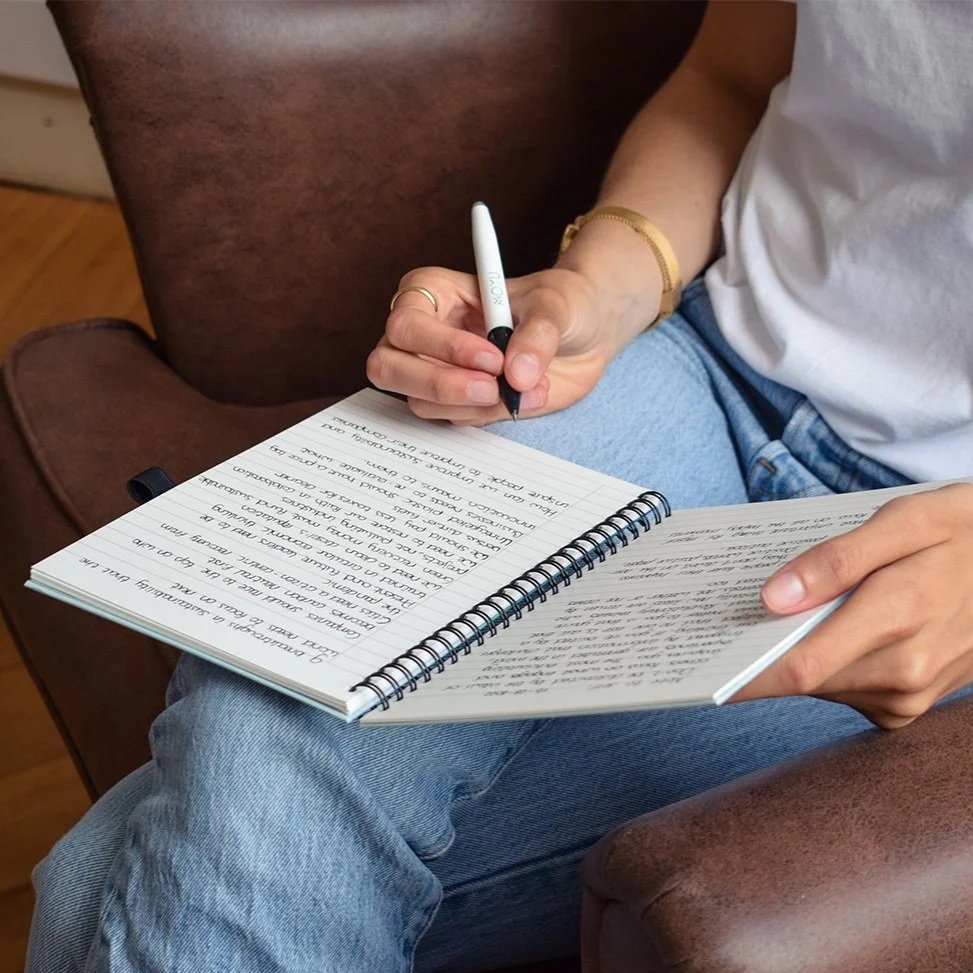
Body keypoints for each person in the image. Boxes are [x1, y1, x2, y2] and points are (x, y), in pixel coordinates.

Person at [26, 2, 973, 971]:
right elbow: (726, 80)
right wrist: (597, 286)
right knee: (281, 681)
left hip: (943, 534)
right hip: (710, 361)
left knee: (92, 885)